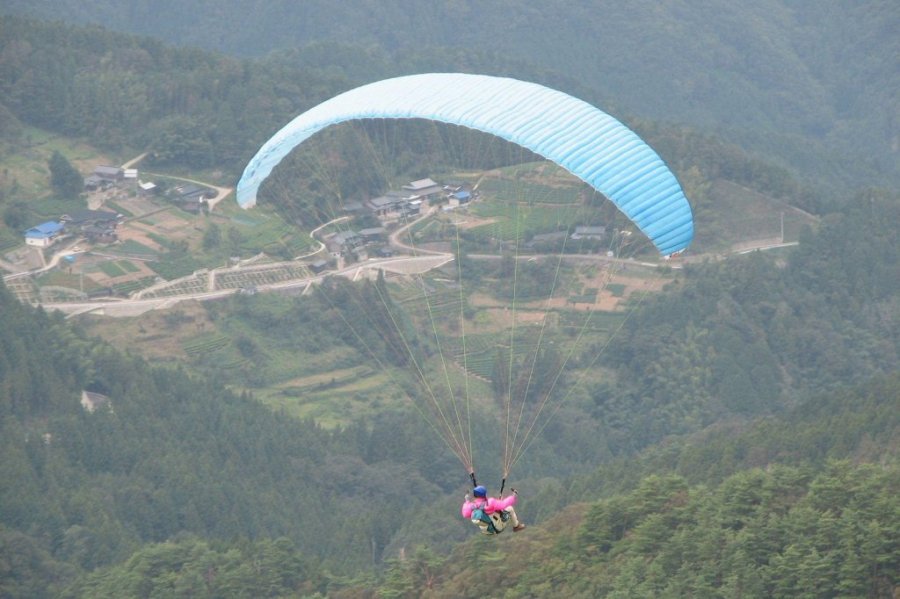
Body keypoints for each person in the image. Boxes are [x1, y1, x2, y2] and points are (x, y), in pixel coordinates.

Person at [461, 485, 525, 534]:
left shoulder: (471, 506)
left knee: (494, 512)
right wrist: (513, 496)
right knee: (510, 508)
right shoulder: (490, 502)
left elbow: (465, 514)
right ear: (484, 494)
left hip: (485, 531)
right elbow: (504, 504)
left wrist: (467, 501)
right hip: (497, 528)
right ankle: (516, 526)